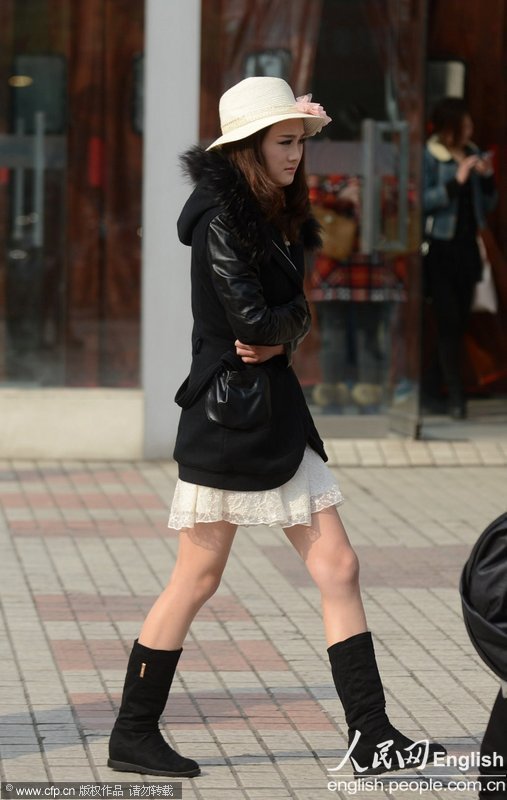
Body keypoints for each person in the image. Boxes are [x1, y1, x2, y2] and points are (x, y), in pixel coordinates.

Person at [108, 76, 446, 779]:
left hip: (260, 413)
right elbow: (256, 325)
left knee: (326, 568)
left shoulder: (263, 214)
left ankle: (370, 736)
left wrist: (288, 326)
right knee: (199, 576)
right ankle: (134, 733)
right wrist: (295, 321)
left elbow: (276, 328)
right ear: (249, 147)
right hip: (236, 419)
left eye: (298, 141)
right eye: (284, 142)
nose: (296, 155)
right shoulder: (226, 220)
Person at [422, 97, 497, 419]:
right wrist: (456, 182)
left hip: (467, 248)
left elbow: (489, 205)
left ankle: (430, 390)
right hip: (440, 248)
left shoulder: (473, 152)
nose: (470, 130)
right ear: (449, 127)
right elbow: (421, 200)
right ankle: (455, 398)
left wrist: (488, 176)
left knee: (459, 323)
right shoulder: (430, 155)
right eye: (464, 125)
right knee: (448, 320)